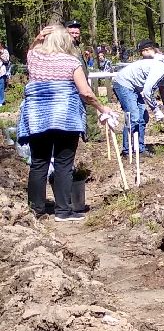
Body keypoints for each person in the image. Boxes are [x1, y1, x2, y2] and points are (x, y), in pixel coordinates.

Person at [17, 24, 115, 221]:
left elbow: (31, 48)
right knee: (63, 164)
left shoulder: (34, 58)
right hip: (65, 118)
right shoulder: (71, 62)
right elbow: (85, 92)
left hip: (38, 118)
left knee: (39, 163)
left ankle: (35, 209)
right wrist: (102, 108)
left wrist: (38, 36)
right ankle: (63, 211)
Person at [110, 40, 164, 156]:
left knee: (143, 117)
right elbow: (147, 92)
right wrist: (156, 111)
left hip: (135, 87)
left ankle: (139, 149)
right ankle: (127, 150)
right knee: (134, 116)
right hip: (123, 84)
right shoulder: (161, 68)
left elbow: (163, 92)